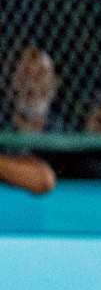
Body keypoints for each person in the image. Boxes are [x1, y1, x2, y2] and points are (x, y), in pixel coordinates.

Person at [0, 44, 60, 194]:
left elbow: (43, 180)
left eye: (41, 73)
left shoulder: (62, 129)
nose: (32, 82)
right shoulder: (3, 123)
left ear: (53, 83)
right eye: (25, 73)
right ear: (12, 81)